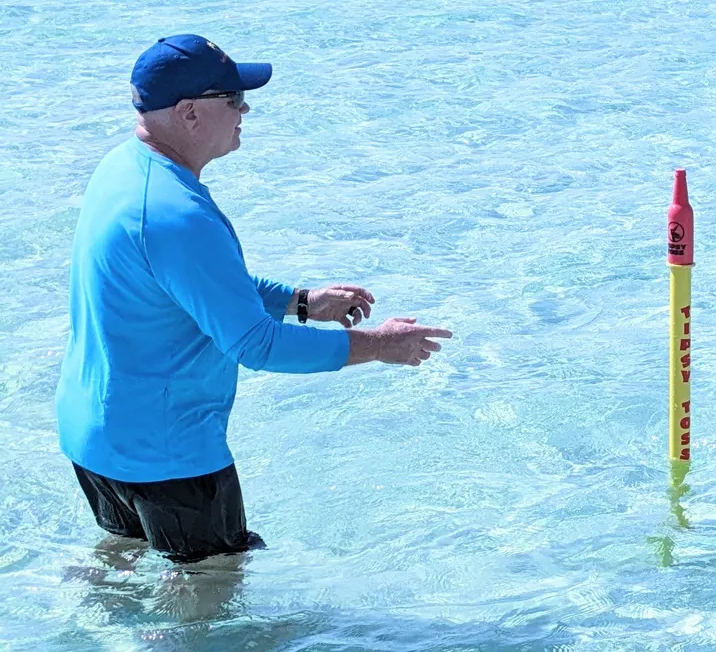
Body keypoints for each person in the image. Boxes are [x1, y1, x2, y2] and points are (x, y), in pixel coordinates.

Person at [56, 35, 450, 566]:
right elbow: (256, 346)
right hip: (169, 457)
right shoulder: (178, 213)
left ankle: (103, 648)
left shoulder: (122, 170)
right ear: (190, 112)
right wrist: (378, 345)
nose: (245, 109)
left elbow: (193, 287)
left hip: (95, 436)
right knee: (208, 604)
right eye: (234, 98)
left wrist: (303, 302)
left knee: (118, 566)